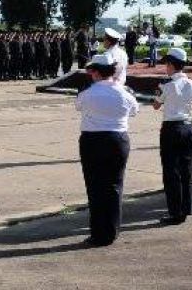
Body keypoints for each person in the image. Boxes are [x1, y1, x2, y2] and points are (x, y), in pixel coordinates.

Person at [74, 53, 139, 247]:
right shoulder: (124, 92)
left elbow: (78, 106)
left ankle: (97, 233)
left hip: (92, 140)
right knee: (114, 186)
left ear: (95, 72)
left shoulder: (87, 92)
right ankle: (111, 232)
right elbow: (135, 110)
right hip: (117, 140)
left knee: (95, 187)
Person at [153, 47, 192, 225]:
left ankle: (175, 212)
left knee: (171, 171)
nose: (165, 67)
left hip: (171, 129)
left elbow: (155, 106)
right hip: (188, 127)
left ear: (172, 65)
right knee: (186, 169)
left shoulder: (165, 84)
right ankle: (186, 208)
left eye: (167, 63)